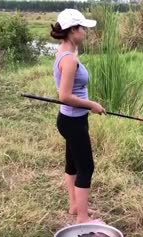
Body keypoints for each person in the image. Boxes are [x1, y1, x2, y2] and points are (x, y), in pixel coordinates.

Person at [51, 9, 105, 224]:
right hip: (73, 121)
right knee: (86, 168)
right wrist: (92, 105)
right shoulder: (69, 60)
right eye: (82, 28)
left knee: (72, 164)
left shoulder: (64, 52)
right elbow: (64, 95)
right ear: (73, 30)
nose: (84, 32)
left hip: (69, 119)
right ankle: (82, 219)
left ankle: (75, 206)